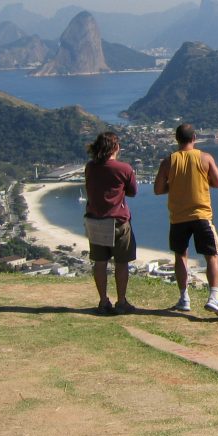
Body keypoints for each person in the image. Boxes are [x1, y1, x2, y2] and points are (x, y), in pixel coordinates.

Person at [153, 123, 218, 319]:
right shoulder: (205, 158)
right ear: (194, 137)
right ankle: (213, 297)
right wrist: (203, 181)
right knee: (212, 256)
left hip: (178, 217)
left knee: (181, 256)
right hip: (201, 216)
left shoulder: (168, 161)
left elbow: (158, 189)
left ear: (176, 139)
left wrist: (177, 186)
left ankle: (184, 297)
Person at [84, 131, 138, 315]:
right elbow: (132, 192)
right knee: (121, 263)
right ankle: (121, 301)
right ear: (115, 148)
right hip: (117, 222)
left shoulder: (90, 167)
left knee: (100, 262)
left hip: (95, 220)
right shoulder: (124, 168)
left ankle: (103, 301)